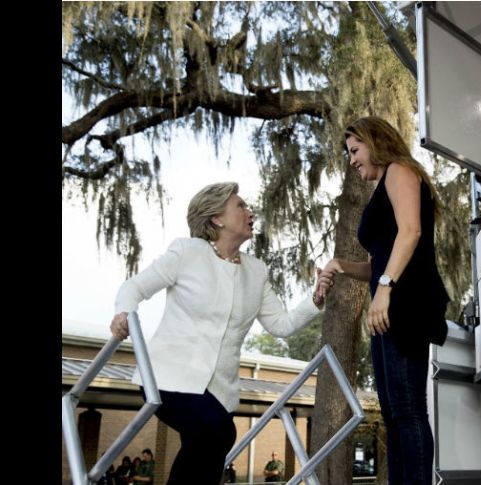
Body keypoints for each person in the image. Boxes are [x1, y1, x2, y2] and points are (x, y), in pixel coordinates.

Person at [110, 182, 326, 485]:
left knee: (209, 452)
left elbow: (281, 324)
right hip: (168, 378)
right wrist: (124, 312)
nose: (250, 212)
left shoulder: (256, 271)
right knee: (219, 431)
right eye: (241, 205)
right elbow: (134, 287)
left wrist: (315, 299)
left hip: (217, 391)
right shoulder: (187, 252)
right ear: (216, 218)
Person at [317, 116, 450, 484]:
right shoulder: (383, 186)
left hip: (404, 303)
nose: (352, 160)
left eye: (355, 150)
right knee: (392, 412)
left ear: (375, 142)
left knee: (408, 410)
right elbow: (378, 262)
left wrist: (386, 289)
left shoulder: (399, 170)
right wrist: (340, 265)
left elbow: (411, 231)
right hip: (388, 307)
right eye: (349, 153)